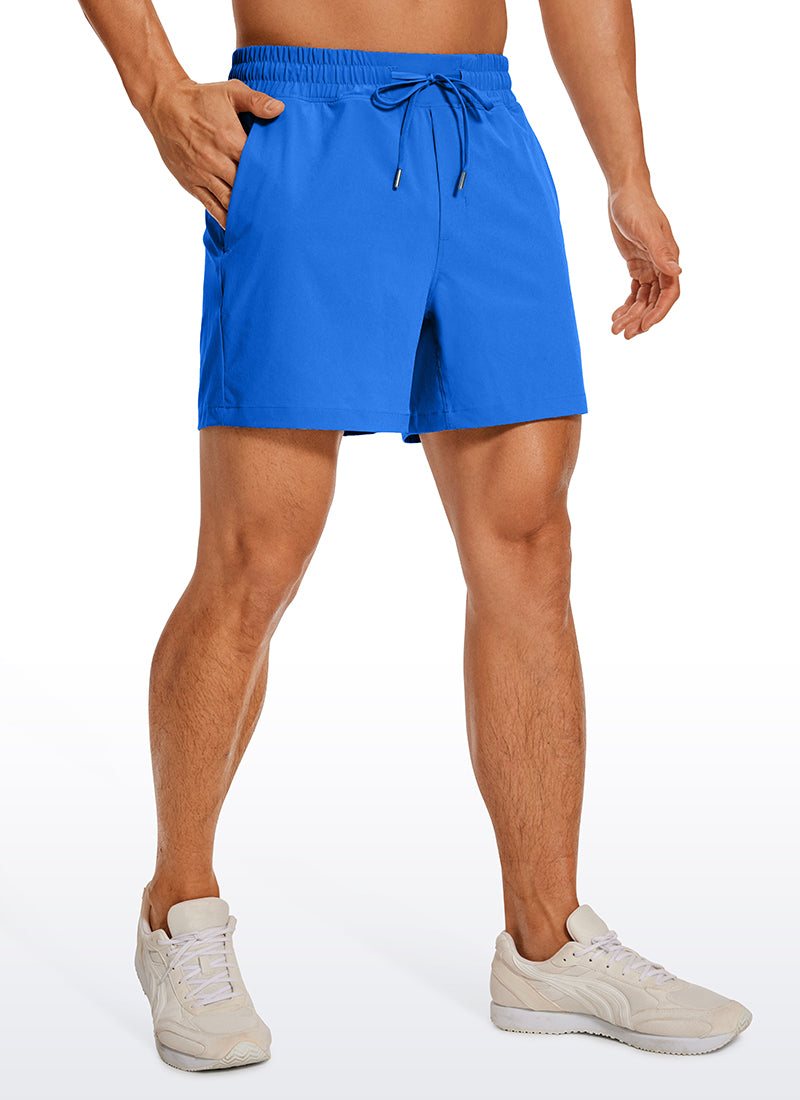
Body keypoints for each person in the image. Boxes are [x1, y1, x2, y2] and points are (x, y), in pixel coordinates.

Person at [78, 0, 751, 1071]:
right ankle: (180, 910)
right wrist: (158, 87)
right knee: (257, 555)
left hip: (485, 131)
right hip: (303, 124)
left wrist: (626, 171)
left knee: (528, 543)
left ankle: (546, 942)